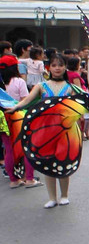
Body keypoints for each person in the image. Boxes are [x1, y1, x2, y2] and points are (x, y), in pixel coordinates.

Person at [6, 54, 83, 208]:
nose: (57, 68)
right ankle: (52, 198)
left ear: (65, 67)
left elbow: (79, 107)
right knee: (47, 163)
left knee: (63, 162)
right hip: (45, 131)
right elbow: (26, 101)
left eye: (60, 65)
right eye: (54, 65)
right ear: (49, 67)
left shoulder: (71, 88)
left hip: (65, 131)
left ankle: (64, 195)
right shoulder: (41, 86)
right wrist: (14, 107)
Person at [0, 55, 40, 188]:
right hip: (18, 116)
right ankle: (29, 178)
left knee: (9, 149)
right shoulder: (18, 81)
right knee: (26, 147)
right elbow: (25, 100)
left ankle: (13, 180)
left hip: (2, 118)